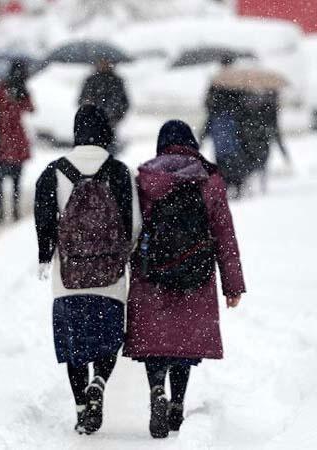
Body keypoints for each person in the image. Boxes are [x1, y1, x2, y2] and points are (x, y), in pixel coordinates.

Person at [124, 120, 246, 438]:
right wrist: (232, 285)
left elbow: (132, 229)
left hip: (152, 275)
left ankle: (156, 391)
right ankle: (177, 402)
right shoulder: (209, 178)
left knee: (156, 342)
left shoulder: (146, 178)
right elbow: (224, 236)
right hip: (197, 273)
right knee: (183, 341)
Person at [34, 105, 141, 435]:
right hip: (109, 277)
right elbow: (134, 224)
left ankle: (82, 408)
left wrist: (44, 255)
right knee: (108, 340)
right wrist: (125, 254)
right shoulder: (120, 172)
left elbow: (43, 221)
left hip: (68, 276)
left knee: (75, 345)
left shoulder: (54, 172)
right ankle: (99, 382)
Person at [0, 58, 34, 224]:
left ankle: (1, 210)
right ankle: (14, 209)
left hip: (0, 138)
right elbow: (31, 109)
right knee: (16, 178)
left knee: (0, 179)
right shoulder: (20, 90)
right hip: (15, 138)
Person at [78, 57, 130, 154]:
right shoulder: (90, 81)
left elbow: (125, 103)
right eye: (101, 61)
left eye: (106, 61)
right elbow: (81, 100)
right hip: (92, 124)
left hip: (111, 123)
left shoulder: (117, 81)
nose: (103, 64)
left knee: (110, 151)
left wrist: (116, 117)